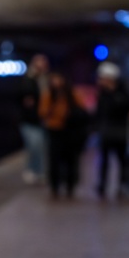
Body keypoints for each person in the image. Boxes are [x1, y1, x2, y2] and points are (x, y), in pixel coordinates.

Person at [94, 61, 129, 198]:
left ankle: (123, 184)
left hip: (120, 131)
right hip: (106, 131)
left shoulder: (123, 92)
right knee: (104, 160)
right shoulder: (102, 93)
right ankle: (102, 185)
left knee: (122, 160)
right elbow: (99, 112)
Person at [38, 71, 86, 199]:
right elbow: (42, 112)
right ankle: (55, 186)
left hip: (70, 130)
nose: (56, 82)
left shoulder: (72, 94)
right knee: (54, 159)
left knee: (71, 159)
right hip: (55, 130)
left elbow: (81, 109)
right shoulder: (48, 95)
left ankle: (70, 185)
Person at [17, 53, 49, 184]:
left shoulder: (45, 80)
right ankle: (32, 169)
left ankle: (39, 170)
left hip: (43, 119)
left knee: (41, 146)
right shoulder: (28, 80)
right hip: (29, 120)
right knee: (33, 145)